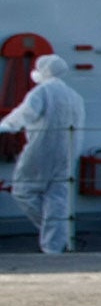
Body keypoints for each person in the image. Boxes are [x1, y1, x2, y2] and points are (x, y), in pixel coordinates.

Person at [0, 53, 84, 254]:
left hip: (41, 149)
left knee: (23, 190)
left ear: (44, 70)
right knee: (58, 198)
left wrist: (5, 126)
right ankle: (55, 244)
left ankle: (53, 232)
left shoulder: (42, 92)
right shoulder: (75, 96)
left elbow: (25, 114)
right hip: (67, 152)